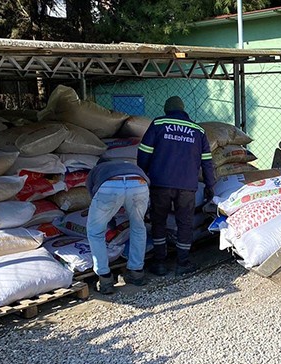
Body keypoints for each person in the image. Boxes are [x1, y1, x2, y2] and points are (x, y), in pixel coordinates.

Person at [137, 96, 215, 277]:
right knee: (185, 222)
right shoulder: (198, 130)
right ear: (183, 108)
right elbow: (207, 162)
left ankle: (160, 263)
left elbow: (144, 152)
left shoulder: (159, 123)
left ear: (166, 109)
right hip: (187, 185)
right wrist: (210, 185)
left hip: (160, 183)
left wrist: (144, 174)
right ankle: (183, 263)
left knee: (159, 221)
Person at [85, 159, 150, 294]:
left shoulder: (95, 171)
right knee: (138, 227)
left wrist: (110, 221)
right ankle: (137, 272)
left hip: (109, 186)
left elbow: (95, 197)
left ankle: (105, 278)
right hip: (139, 183)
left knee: (95, 232)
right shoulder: (129, 165)